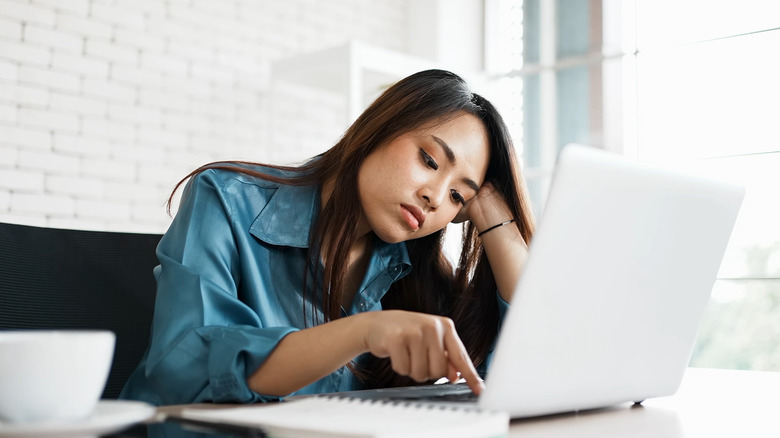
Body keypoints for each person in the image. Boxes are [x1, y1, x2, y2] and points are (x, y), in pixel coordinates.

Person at [120, 69, 535, 406]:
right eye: (429, 160)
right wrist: (363, 331)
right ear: (380, 125)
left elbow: (527, 365)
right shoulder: (226, 199)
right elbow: (185, 369)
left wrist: (495, 217)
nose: (435, 197)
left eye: (458, 195)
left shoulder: (413, 273)